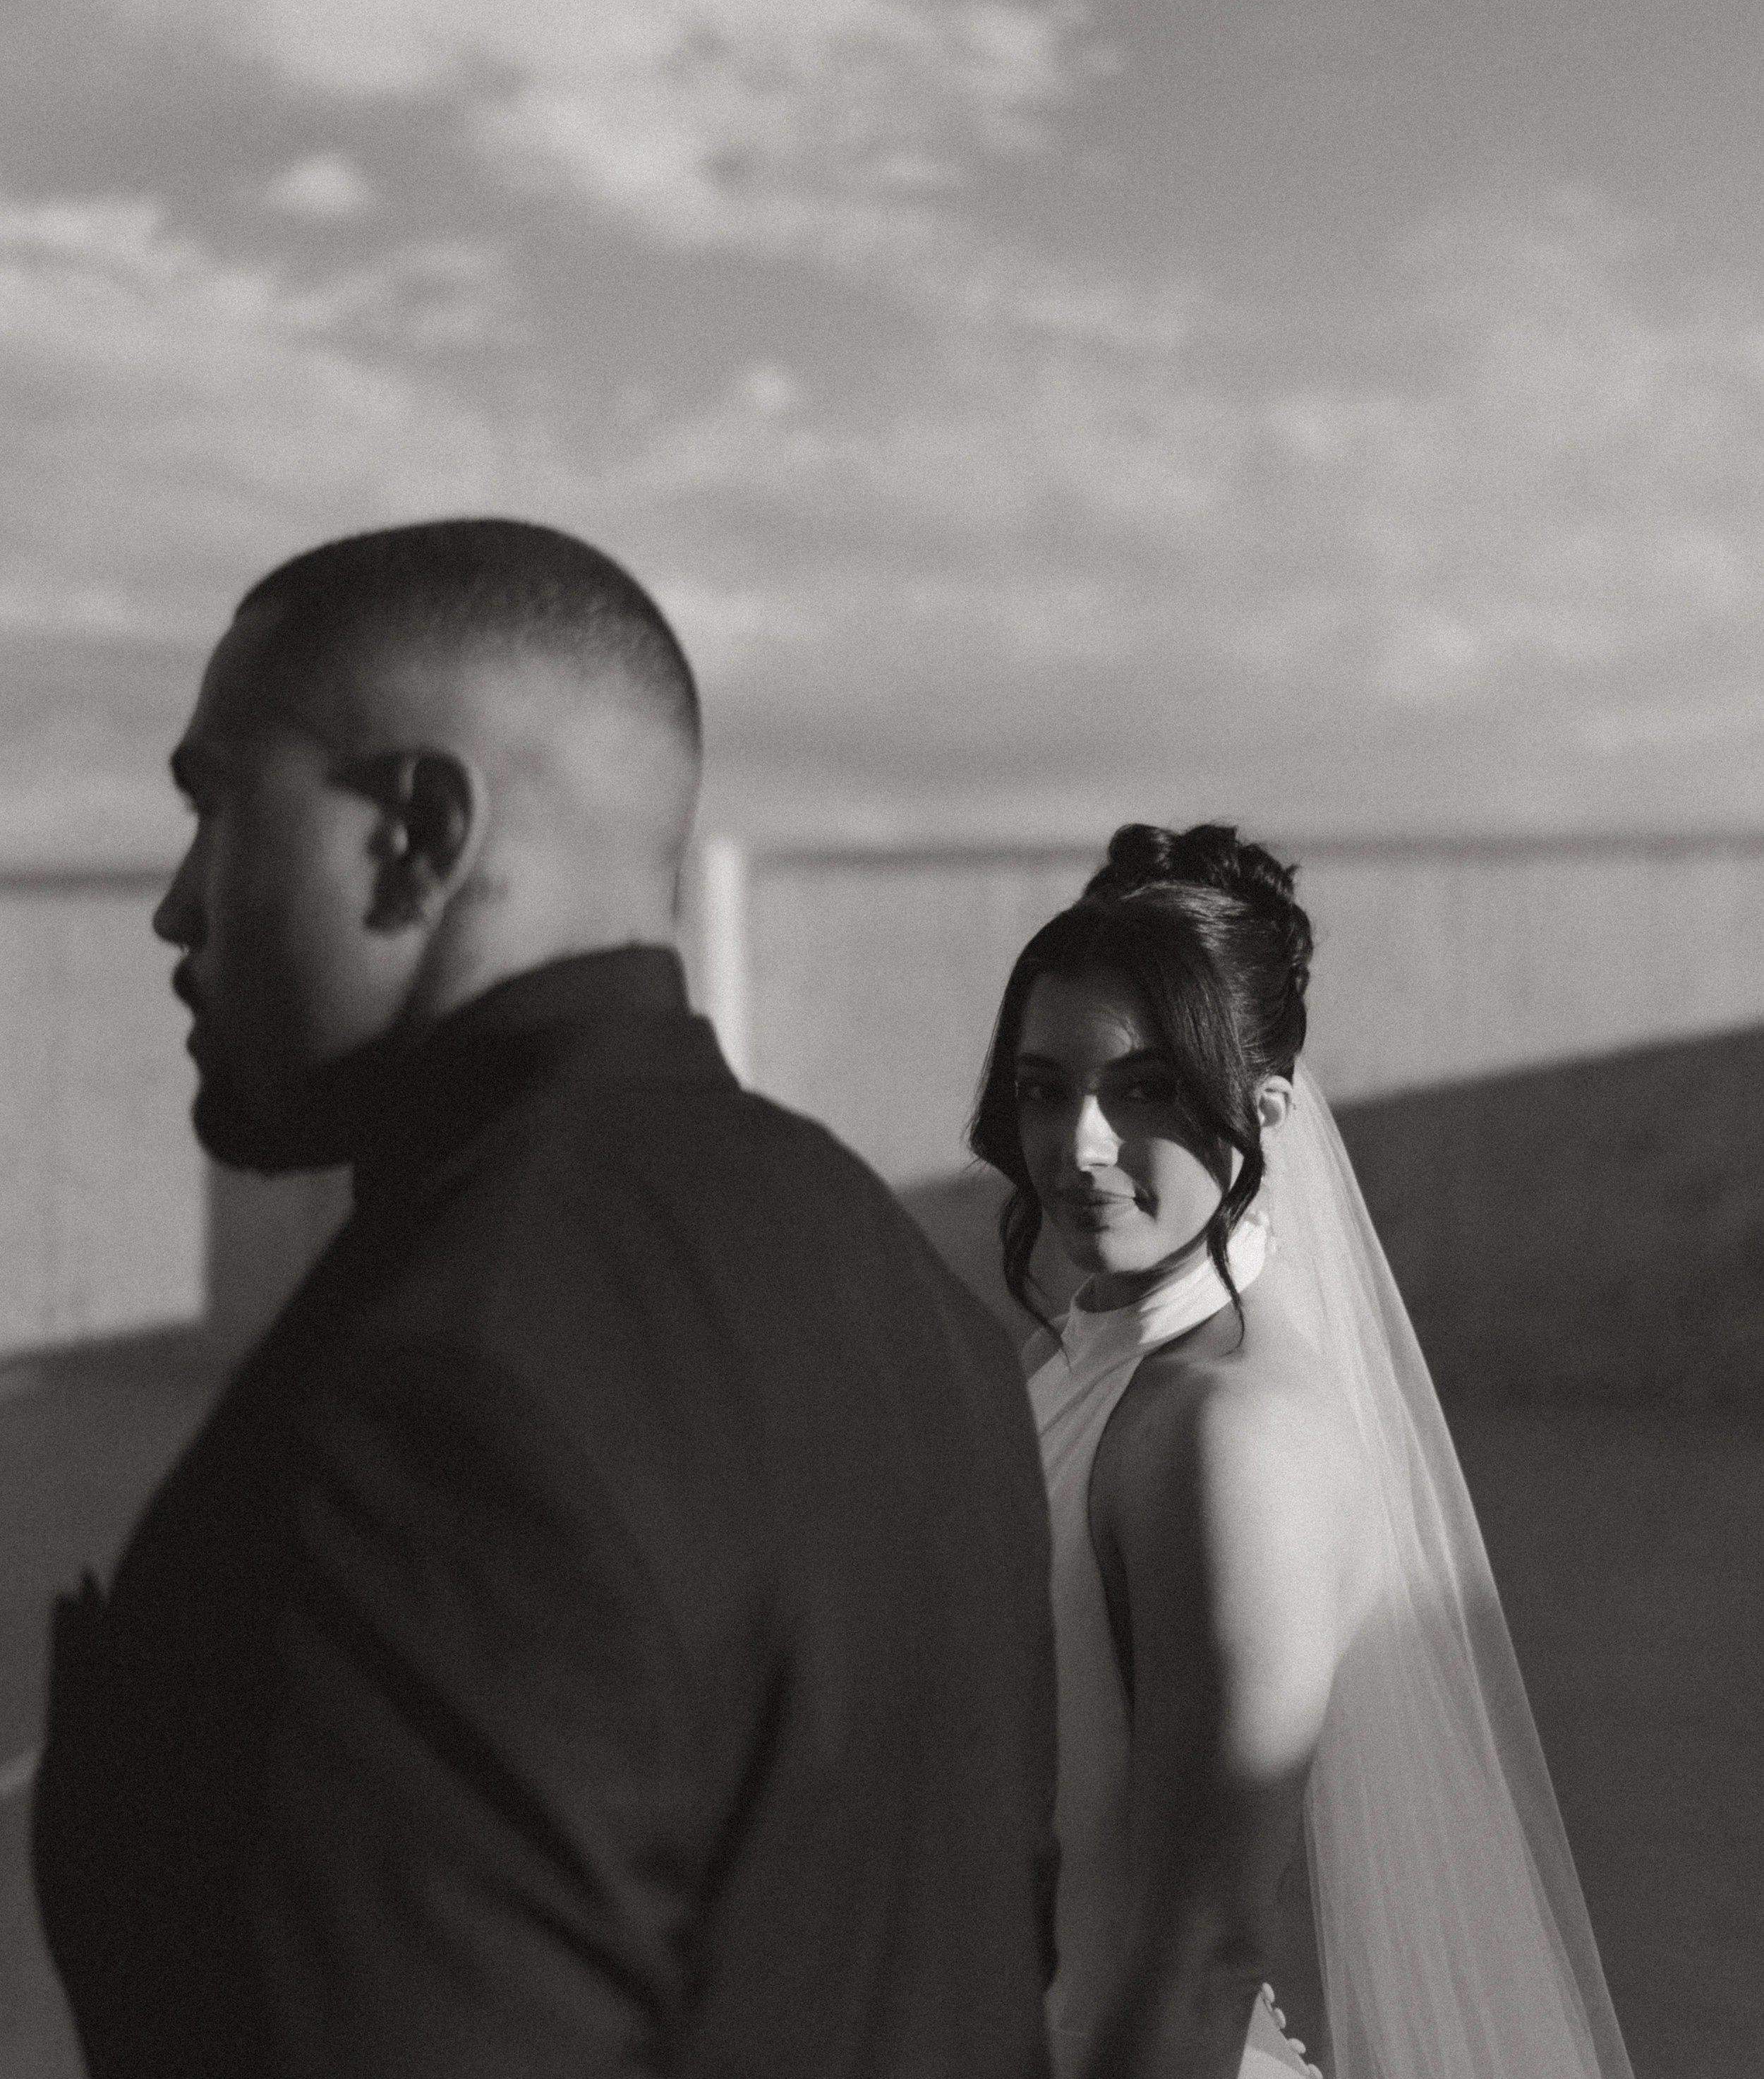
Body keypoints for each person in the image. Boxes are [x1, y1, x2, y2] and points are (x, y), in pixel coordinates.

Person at [33, 517, 1058, 2079]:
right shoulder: (892, 1280)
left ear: (417, 835)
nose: (176, 909)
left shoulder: (439, 1389)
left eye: (216, 806)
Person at [970, 822, 1636, 2079]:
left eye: (1147, 1087)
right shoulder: (1081, 1364)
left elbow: (1210, 1943)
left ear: (1263, 1107)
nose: (1082, 1145)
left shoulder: (1237, 1436)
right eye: (1046, 1087)